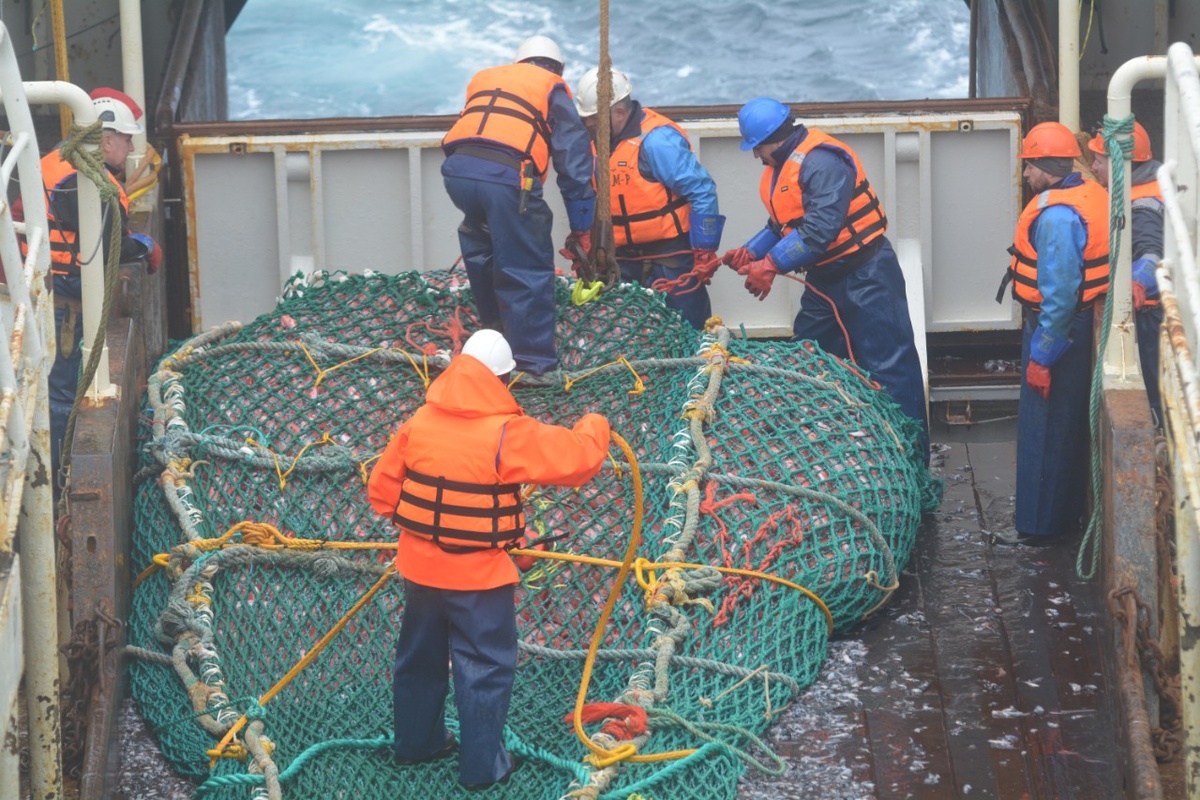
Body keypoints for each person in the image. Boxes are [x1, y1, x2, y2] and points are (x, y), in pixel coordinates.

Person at [367, 329, 610, 790]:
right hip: (478, 579)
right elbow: (579, 461)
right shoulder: (507, 433)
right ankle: (483, 769)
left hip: (419, 571)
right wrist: (595, 422)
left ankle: (416, 746)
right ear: (501, 379)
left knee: (418, 658)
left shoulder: (419, 420)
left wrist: (430, 527)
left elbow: (381, 491)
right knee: (484, 667)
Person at [722, 97, 929, 462]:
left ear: (772, 139)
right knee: (810, 357)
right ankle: (828, 455)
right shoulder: (782, 165)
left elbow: (819, 230)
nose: (755, 157)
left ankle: (911, 464)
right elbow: (782, 224)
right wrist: (752, 252)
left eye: (756, 148)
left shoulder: (821, 162)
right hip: (824, 280)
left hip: (867, 274)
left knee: (890, 366)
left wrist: (769, 266)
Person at [18, 89, 162, 493]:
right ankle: (58, 482)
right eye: (127, 138)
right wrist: (147, 248)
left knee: (61, 389)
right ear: (105, 139)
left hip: (54, 293)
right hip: (63, 305)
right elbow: (108, 234)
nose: (132, 146)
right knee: (63, 395)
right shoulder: (77, 180)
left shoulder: (60, 163)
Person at [441, 36, 597, 376]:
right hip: (507, 178)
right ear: (557, 69)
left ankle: (494, 342)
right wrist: (582, 227)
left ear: (518, 63)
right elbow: (575, 166)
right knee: (525, 265)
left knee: (483, 252)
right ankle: (533, 364)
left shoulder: (486, 77)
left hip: (458, 172)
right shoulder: (552, 87)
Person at [995, 121, 1110, 545]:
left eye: (1029, 166)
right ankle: (1058, 518)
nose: (1025, 175)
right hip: (1076, 324)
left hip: (1058, 330)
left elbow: (1060, 296)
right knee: (1064, 427)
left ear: (1046, 167)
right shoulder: (1090, 194)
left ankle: (1039, 530)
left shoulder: (1058, 217)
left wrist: (1042, 356)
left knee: (1045, 432)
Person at [571, 67, 724, 330]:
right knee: (627, 330)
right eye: (586, 120)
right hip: (620, 259)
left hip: (670, 258)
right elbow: (585, 193)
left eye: (594, 120)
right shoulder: (594, 142)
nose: (588, 126)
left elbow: (702, 189)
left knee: (687, 328)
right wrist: (584, 237)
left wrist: (704, 251)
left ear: (618, 113)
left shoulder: (657, 142)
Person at [1088, 121, 1164, 428]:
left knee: (1155, 389)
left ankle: (1164, 443)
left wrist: (1137, 282)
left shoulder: (1143, 205)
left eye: (1097, 161)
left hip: (1151, 316)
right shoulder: (1148, 182)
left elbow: (1152, 255)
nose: (1092, 168)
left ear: (1121, 165)